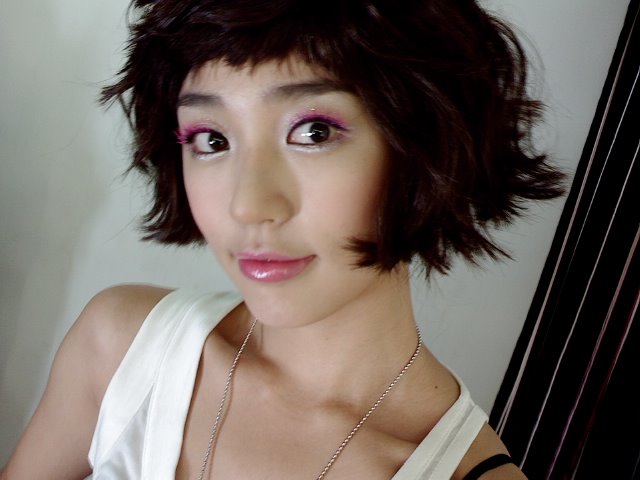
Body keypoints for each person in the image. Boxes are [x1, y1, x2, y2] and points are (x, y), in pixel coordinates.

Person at [1, 0, 564, 478]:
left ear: (424, 145)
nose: (248, 205)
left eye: (313, 132)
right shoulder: (122, 348)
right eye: (212, 139)